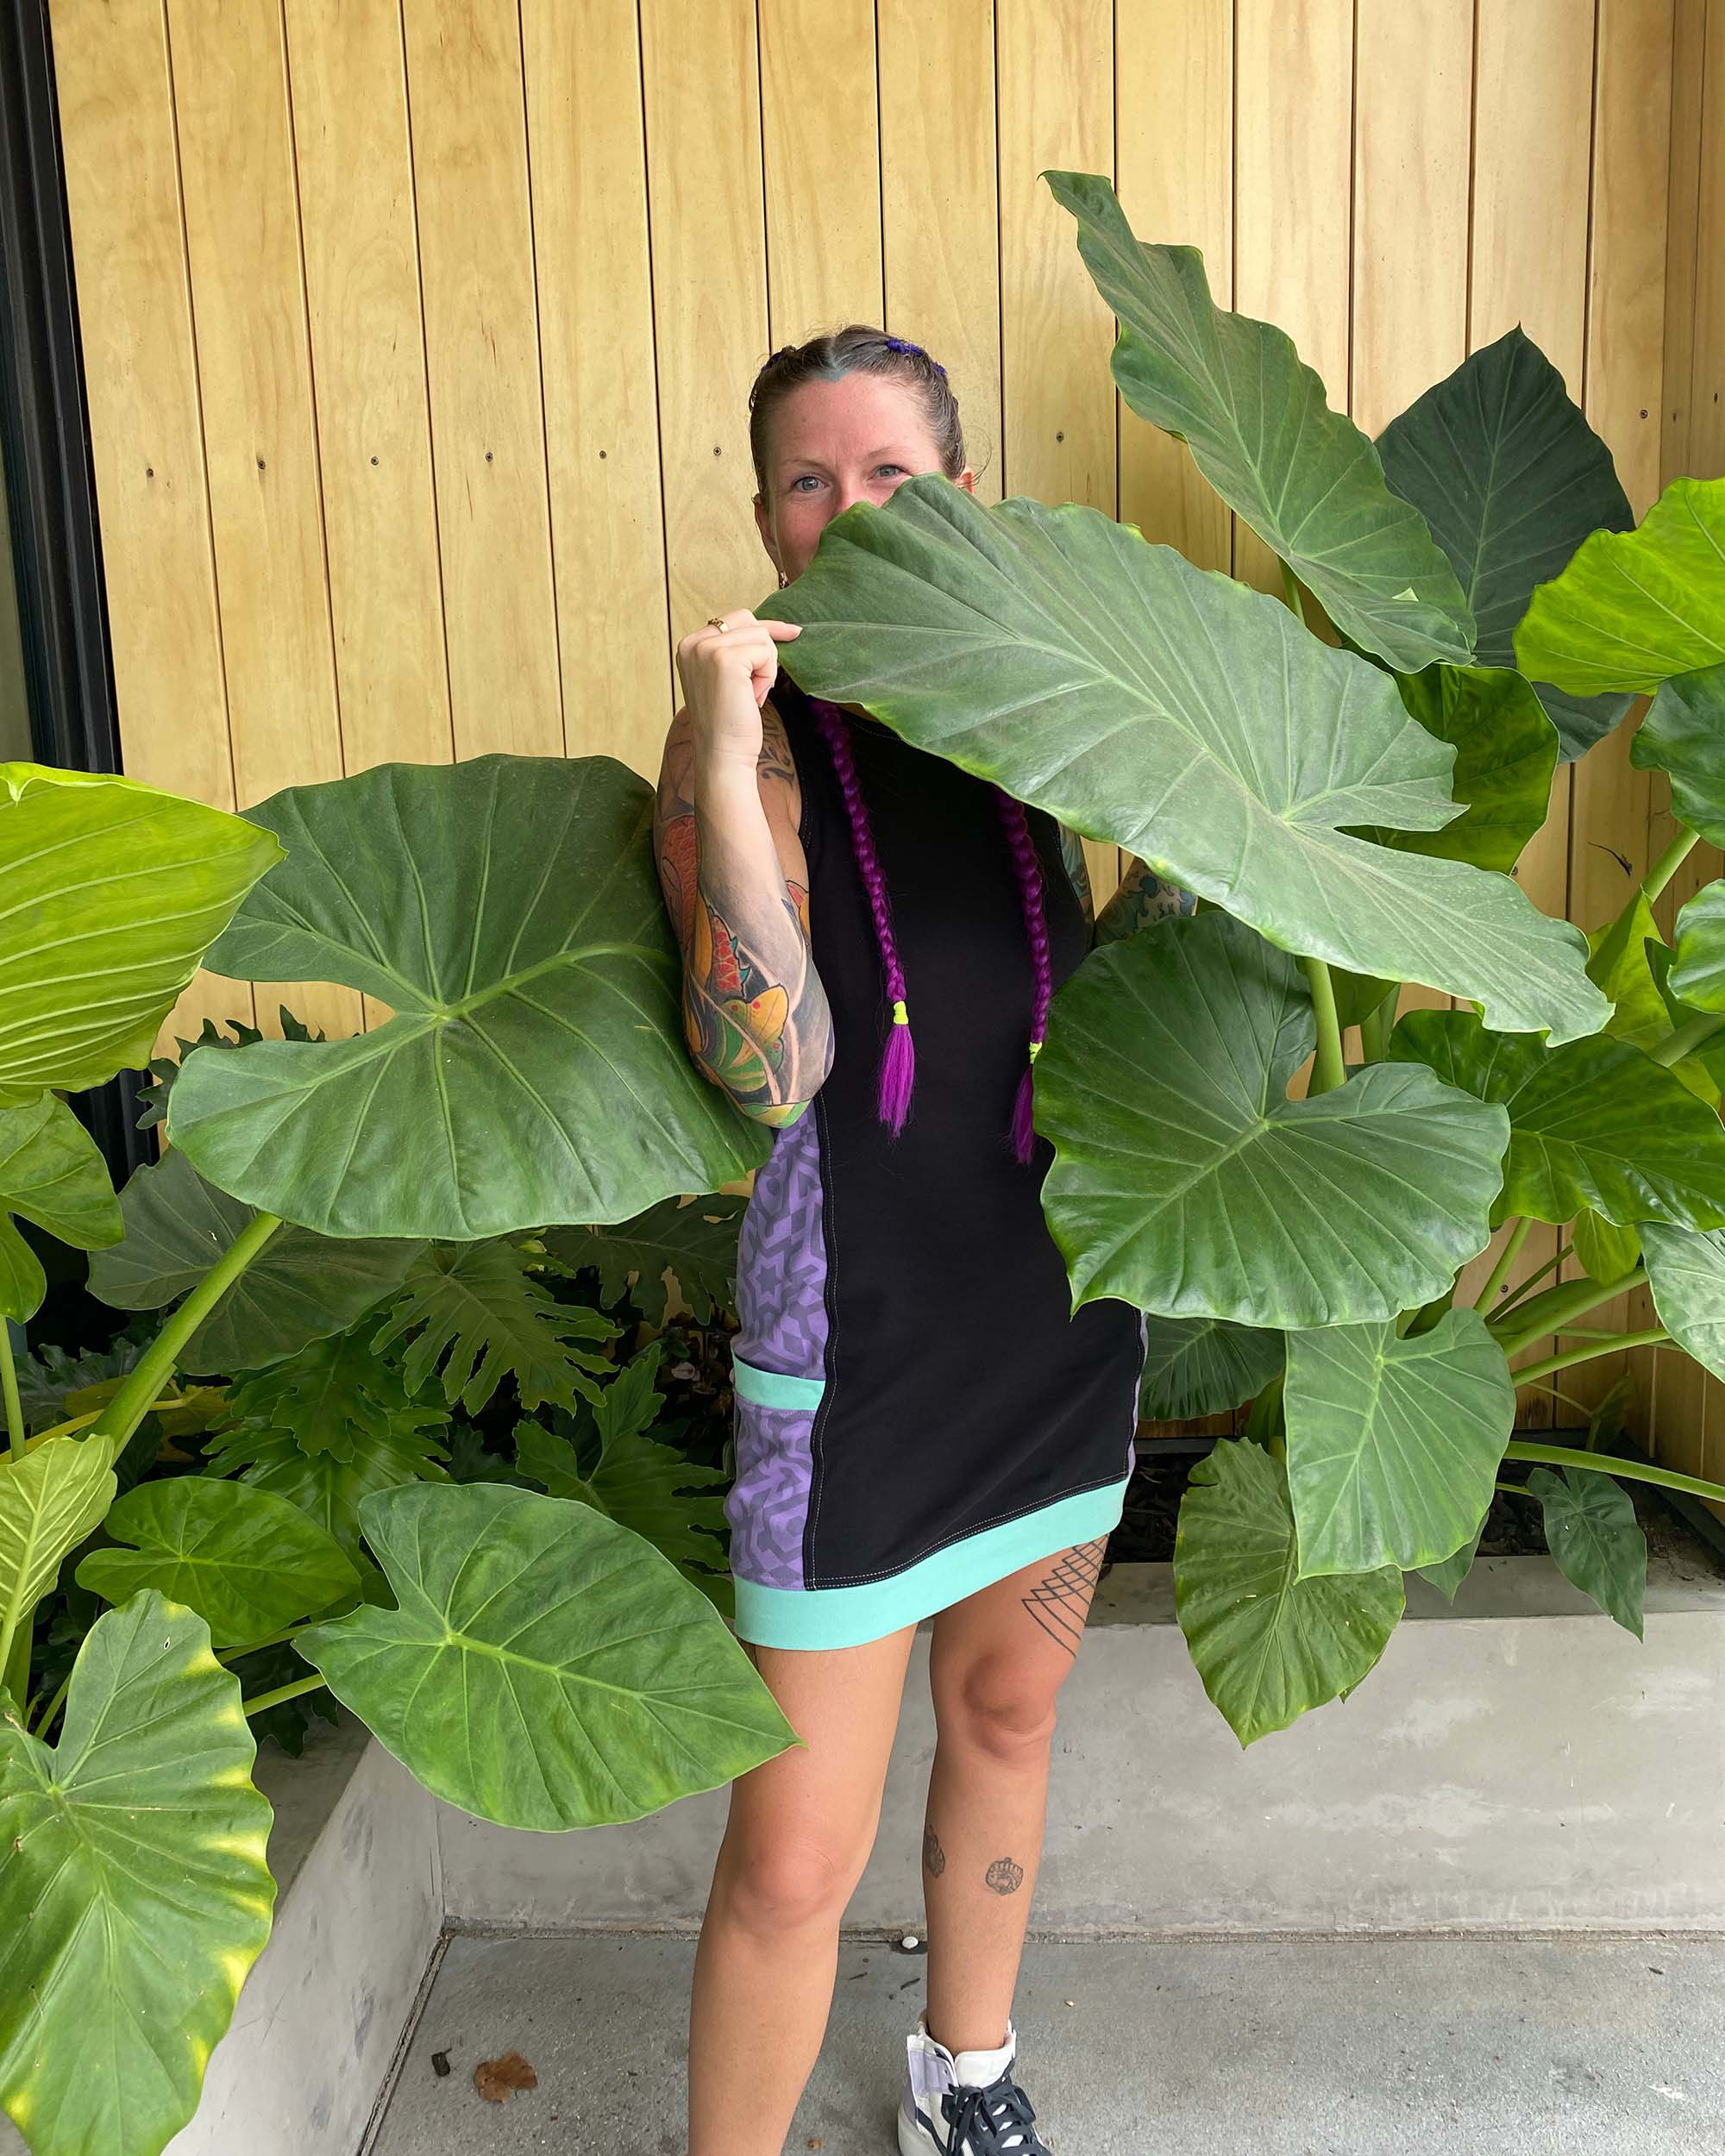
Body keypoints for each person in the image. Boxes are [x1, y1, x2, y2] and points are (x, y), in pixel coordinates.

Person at [654, 325, 1189, 2156]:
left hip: (1050, 1317)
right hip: (859, 1344)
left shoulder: (1037, 713)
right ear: (764, 517)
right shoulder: (752, 746)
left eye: (892, 473)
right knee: (796, 1849)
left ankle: (965, 2075)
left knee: (1010, 1714)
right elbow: (767, 1054)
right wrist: (724, 762)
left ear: (959, 498)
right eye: (811, 477)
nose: (850, 507)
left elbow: (1127, 988)